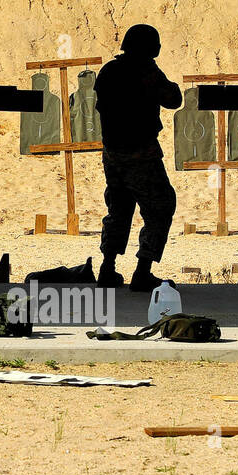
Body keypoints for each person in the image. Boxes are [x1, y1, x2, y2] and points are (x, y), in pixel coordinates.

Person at [93, 24, 182, 291]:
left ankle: (107, 268)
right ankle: (143, 270)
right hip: (141, 154)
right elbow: (173, 98)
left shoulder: (109, 71)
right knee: (160, 206)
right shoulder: (145, 71)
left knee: (118, 210)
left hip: (112, 154)